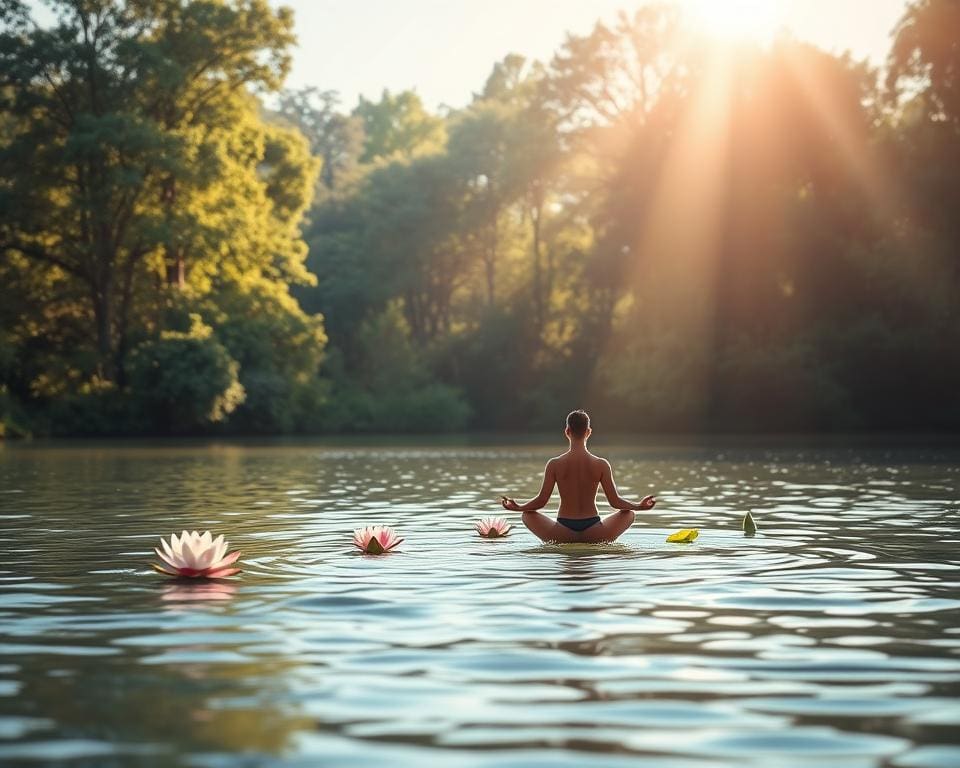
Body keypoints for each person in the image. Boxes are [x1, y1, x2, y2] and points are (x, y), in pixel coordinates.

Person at [500, 410, 656, 543]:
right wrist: (639, 506)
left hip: (562, 532)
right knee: (628, 513)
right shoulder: (601, 464)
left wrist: (519, 507)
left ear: (567, 431)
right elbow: (615, 502)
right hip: (595, 532)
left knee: (527, 515)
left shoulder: (554, 464)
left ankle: (565, 539)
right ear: (588, 432)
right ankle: (593, 541)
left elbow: (541, 501)